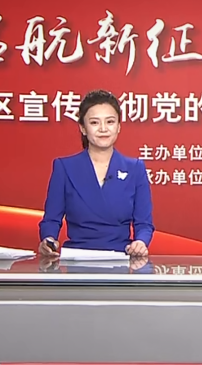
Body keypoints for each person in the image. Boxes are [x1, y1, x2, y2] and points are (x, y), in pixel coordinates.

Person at [38, 90, 154, 257]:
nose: (103, 129)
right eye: (94, 122)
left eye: (110, 122)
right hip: (77, 258)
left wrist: (141, 242)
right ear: (83, 128)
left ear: (119, 127)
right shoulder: (64, 167)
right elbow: (51, 220)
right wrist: (48, 239)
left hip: (120, 257)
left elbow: (144, 224)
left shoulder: (135, 168)